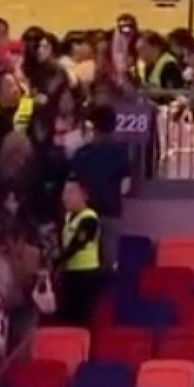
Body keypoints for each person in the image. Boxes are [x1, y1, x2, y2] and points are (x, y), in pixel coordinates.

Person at [68, 104, 132, 268]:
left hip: (84, 214)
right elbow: (126, 187)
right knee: (108, 263)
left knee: (83, 262)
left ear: (93, 127)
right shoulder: (121, 152)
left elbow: (73, 186)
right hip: (111, 212)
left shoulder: (81, 154)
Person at [55, 177, 103, 325]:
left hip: (86, 274)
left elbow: (77, 245)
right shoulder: (67, 217)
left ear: (84, 195)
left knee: (81, 317)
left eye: (71, 192)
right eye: (64, 193)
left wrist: (56, 261)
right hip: (70, 272)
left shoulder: (89, 218)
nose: (65, 197)